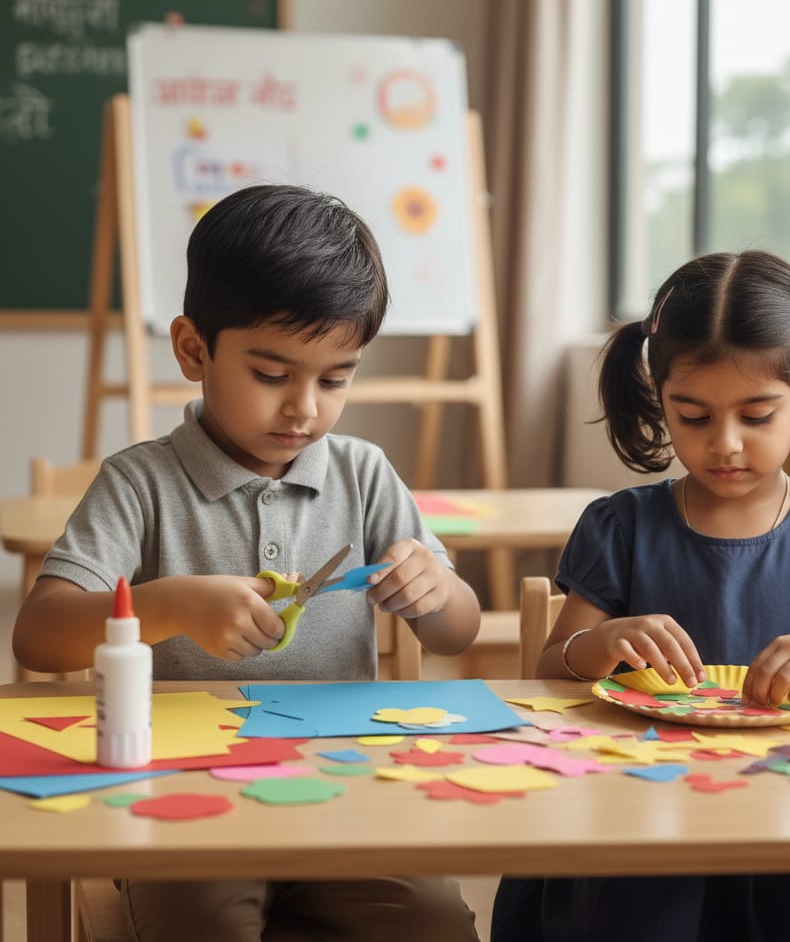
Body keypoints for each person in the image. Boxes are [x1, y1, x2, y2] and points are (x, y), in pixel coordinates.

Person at [13, 184, 483, 942]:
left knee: (433, 923)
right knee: (200, 923)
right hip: (180, 786)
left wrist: (436, 591)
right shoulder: (141, 483)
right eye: (273, 375)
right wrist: (166, 607)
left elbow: (456, 635)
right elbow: (38, 635)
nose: (305, 408)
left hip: (345, 784)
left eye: (335, 379)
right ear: (194, 349)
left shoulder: (363, 474)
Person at [491, 249, 790, 942]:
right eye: (694, 416)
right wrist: (603, 642)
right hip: (650, 821)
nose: (726, 444)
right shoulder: (621, 526)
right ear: (658, 398)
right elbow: (553, 670)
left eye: (756, 414)